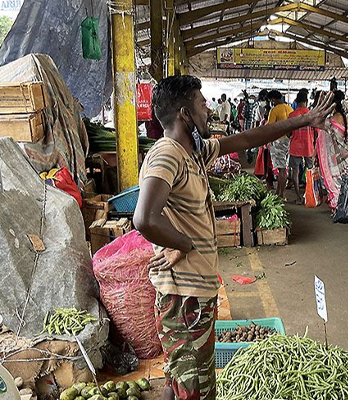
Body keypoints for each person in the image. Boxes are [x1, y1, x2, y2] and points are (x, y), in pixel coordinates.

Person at [133, 75, 334, 400]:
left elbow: (246, 139)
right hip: (185, 297)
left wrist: (304, 120)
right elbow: (143, 218)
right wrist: (183, 244)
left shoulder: (193, 152)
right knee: (195, 389)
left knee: (180, 379)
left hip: (194, 292)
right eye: (201, 104)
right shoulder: (167, 154)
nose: (208, 109)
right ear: (184, 114)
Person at [316, 90, 348, 210]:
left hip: (332, 159)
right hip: (347, 158)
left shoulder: (327, 122)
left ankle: (336, 206)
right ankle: (342, 205)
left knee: (333, 182)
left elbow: (320, 141)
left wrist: (315, 155)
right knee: (343, 180)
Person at [288, 92, 315, 205]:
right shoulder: (312, 114)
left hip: (295, 147)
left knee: (295, 172)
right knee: (311, 172)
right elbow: (316, 133)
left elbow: (288, 133)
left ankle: (299, 198)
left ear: (296, 102)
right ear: (306, 101)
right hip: (309, 147)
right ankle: (311, 197)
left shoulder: (292, 115)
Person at [267, 90, 294, 199]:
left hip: (278, 141)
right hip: (289, 141)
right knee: (283, 167)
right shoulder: (290, 108)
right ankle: (279, 191)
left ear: (273, 99)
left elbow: (270, 128)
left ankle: (282, 194)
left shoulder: (274, 110)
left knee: (281, 169)